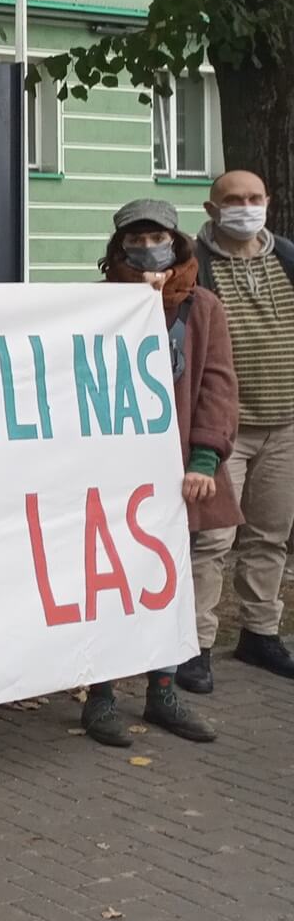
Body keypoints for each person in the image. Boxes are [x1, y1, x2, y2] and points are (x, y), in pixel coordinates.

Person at [81, 200, 234, 746]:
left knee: (169, 583)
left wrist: (205, 458)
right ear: (118, 248)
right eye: (136, 240)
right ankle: (100, 696)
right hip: (111, 472)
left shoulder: (203, 308)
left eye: (157, 238)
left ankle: (162, 690)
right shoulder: (95, 305)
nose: (148, 249)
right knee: (105, 580)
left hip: (177, 473)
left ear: (177, 242)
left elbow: (217, 384)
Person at [187, 169, 294, 685]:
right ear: (212, 210)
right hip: (223, 430)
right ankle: (194, 644)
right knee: (211, 541)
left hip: (285, 424)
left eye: (254, 198)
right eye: (233, 200)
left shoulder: (287, 258)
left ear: (268, 202)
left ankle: (260, 633)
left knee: (270, 536)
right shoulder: (194, 265)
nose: (246, 207)